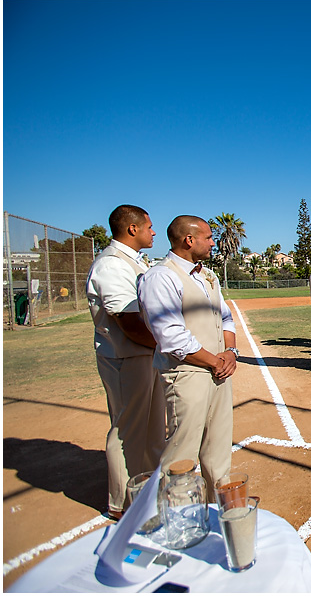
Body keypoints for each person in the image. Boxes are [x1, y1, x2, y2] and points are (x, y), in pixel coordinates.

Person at [138, 215, 237, 491]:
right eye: (208, 237)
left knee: (218, 450)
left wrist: (229, 352)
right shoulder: (160, 277)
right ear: (189, 240)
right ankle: (176, 517)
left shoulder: (208, 275)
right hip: (187, 374)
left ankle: (217, 511)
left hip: (218, 371)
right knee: (181, 454)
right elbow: (171, 337)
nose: (212, 242)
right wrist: (216, 360)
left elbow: (225, 317)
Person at [86, 204, 165, 520]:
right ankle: (122, 503)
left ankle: (148, 488)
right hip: (127, 356)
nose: (153, 231)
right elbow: (128, 321)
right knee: (127, 431)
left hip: (145, 355)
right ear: (132, 229)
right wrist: (167, 345)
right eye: (149, 226)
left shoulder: (133, 262)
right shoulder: (112, 265)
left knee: (152, 428)